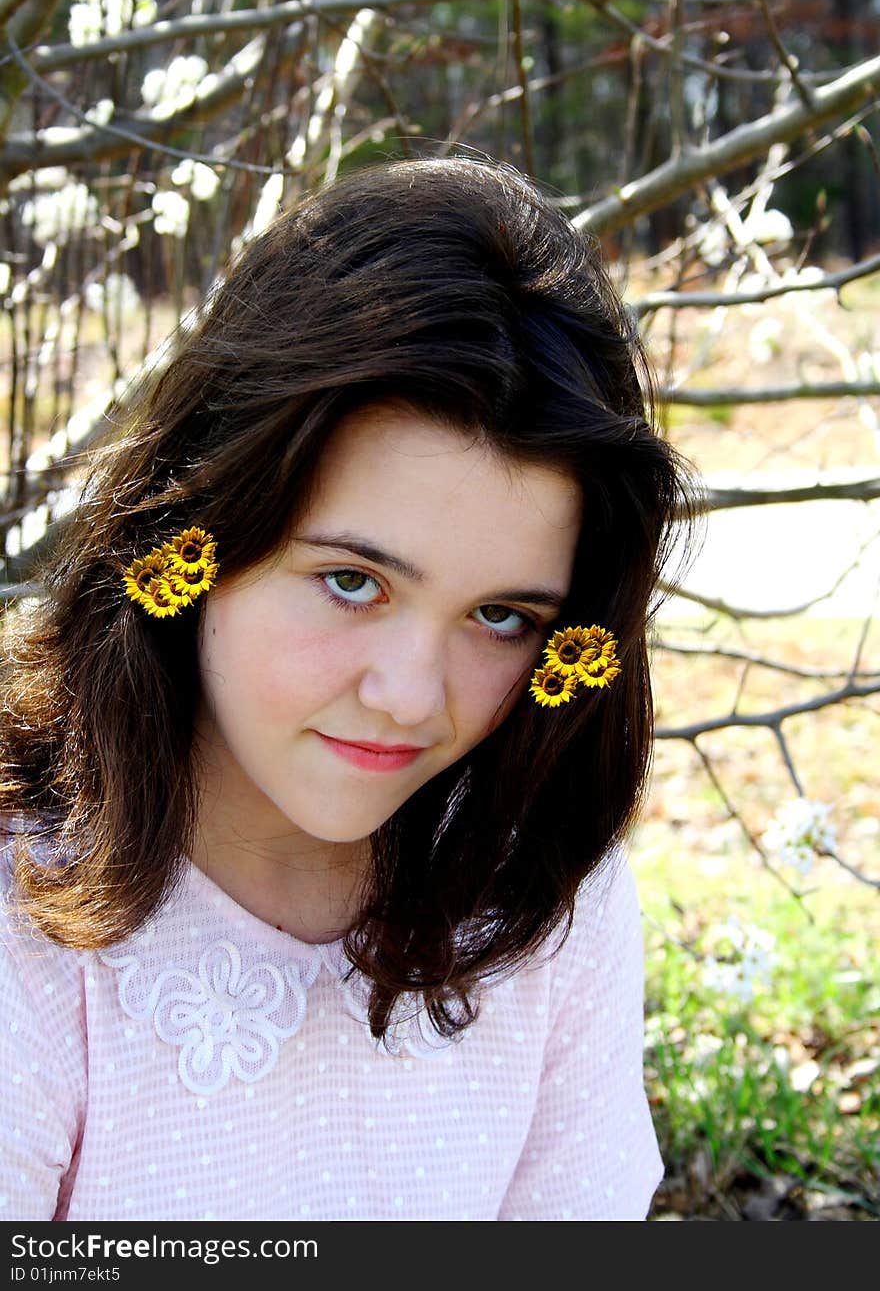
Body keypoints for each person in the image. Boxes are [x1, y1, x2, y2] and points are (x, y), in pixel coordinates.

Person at [0, 154, 696, 1222]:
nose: (412, 696)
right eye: (351, 581)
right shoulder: (24, 905)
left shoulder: (545, 889)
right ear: (197, 541)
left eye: (501, 615)